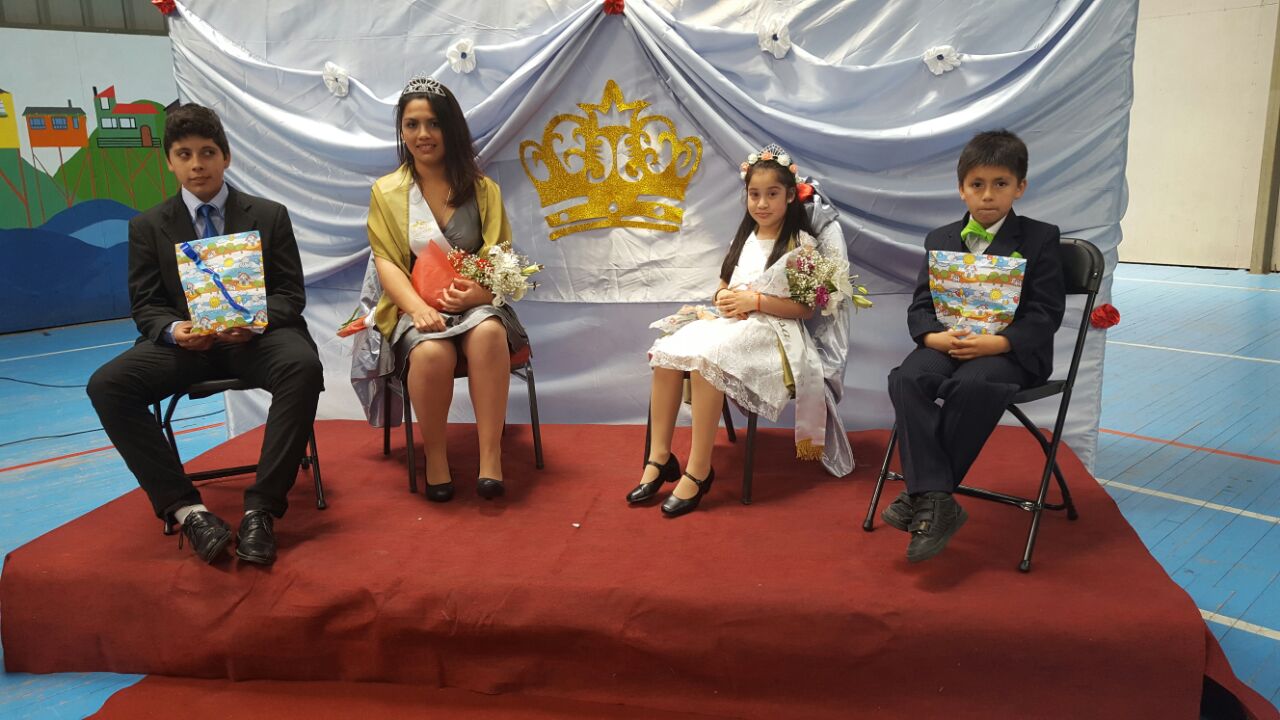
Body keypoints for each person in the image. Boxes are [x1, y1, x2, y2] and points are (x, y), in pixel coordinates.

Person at [87, 103, 322, 566]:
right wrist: (176, 330)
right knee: (107, 386)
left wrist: (252, 320)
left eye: (208, 152)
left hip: (255, 340)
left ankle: (261, 511)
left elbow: (290, 294)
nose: (197, 164)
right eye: (185, 154)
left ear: (226, 157)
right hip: (188, 348)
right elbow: (146, 305)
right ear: (170, 162)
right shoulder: (147, 227)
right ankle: (187, 511)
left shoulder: (270, 215)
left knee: (303, 366)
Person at [626, 145, 854, 518]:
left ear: (790, 195)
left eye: (772, 194)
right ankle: (660, 457)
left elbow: (805, 309)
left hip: (775, 334)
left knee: (708, 360)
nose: (761, 203)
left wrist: (757, 301)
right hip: (734, 323)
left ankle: (699, 469)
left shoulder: (801, 244)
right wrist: (724, 297)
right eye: (754, 194)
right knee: (667, 353)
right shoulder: (744, 238)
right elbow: (722, 284)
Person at [883, 129, 1065, 563]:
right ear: (961, 188)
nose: (987, 195)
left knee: (974, 384)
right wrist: (932, 337)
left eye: (1000, 184)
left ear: (1020, 187)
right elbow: (921, 304)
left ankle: (922, 494)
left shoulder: (1040, 238)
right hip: (947, 343)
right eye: (977, 184)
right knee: (908, 377)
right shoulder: (939, 239)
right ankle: (937, 499)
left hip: (1008, 354)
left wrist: (998, 343)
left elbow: (1046, 313)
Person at [365, 75, 527, 502]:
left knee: (488, 332)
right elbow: (387, 262)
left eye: (433, 123)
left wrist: (481, 293)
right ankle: (436, 458)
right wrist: (417, 307)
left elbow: (499, 255)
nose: (423, 134)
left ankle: (490, 456)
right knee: (431, 353)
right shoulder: (387, 192)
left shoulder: (483, 190)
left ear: (450, 127)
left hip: (475, 304)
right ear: (402, 131)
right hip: (415, 306)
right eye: (412, 124)